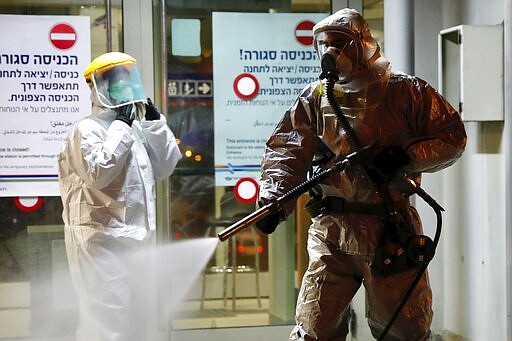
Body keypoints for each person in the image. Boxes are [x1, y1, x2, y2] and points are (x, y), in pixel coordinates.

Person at [255, 8, 467, 341]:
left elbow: (452, 137)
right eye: (323, 44)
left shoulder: (406, 92)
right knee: (314, 327)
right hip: (332, 230)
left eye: (338, 43)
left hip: (390, 229)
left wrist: (405, 157)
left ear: (362, 45)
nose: (329, 52)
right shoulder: (315, 99)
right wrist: (272, 200)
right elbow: (287, 150)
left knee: (404, 328)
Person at [58, 52, 182, 341]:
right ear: (99, 88)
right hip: (100, 240)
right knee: (106, 317)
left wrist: (154, 124)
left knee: (134, 315)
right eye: (117, 83)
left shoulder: (134, 129)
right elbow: (98, 172)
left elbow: (164, 168)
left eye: (129, 81)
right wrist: (122, 127)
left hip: (136, 239)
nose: (126, 89)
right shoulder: (85, 130)